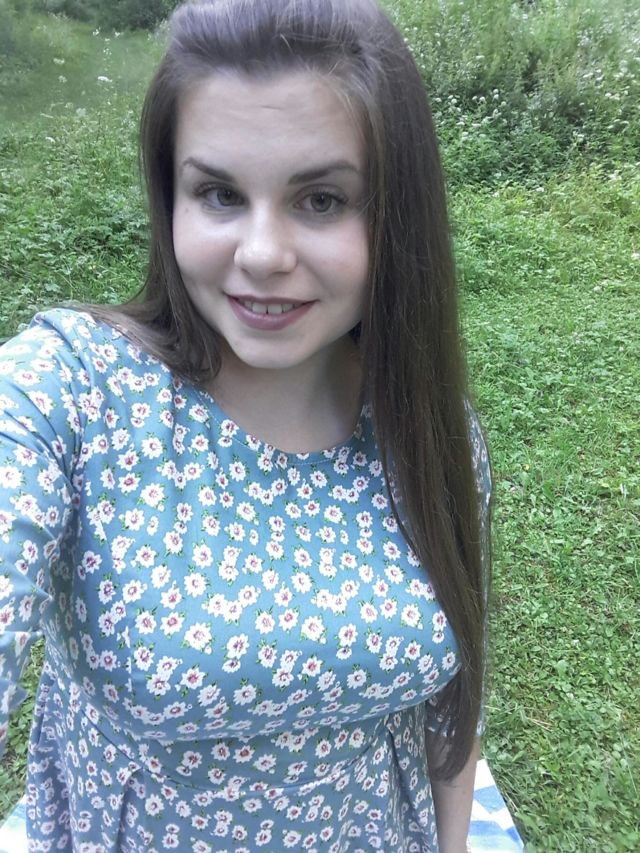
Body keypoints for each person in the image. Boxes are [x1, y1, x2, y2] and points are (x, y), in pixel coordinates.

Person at [0, 0, 492, 850]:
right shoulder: (71, 394)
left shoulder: (430, 431)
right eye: (220, 193)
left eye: (322, 199)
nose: (262, 254)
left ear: (397, 214)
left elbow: (452, 713)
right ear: (172, 197)